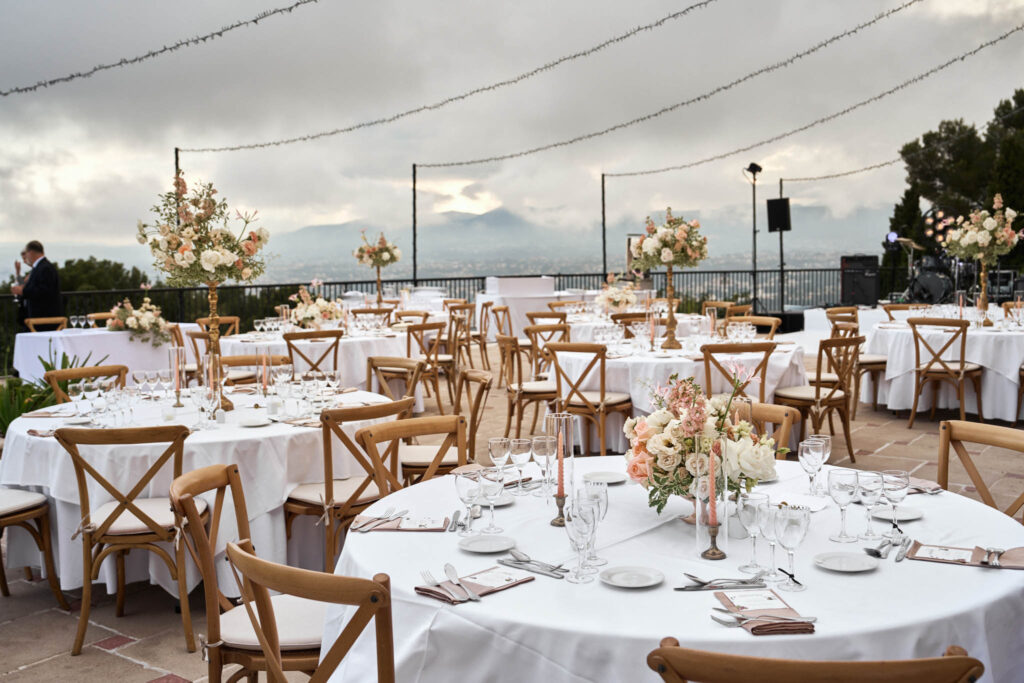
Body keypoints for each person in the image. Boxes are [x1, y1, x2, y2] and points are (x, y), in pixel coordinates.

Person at [11, 241, 61, 330]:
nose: (25, 257)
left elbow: (44, 291)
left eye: (26, 253)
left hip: (43, 320)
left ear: (31, 252)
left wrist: (22, 291)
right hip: (35, 319)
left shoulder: (45, 268)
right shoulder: (39, 267)